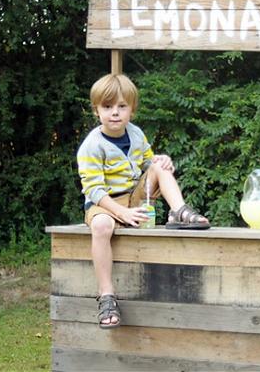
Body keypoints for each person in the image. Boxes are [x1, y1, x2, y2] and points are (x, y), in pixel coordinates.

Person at [77, 73, 210, 329]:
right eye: (107, 107)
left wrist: (161, 160)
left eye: (121, 106)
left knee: (160, 166)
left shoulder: (136, 134)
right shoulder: (92, 145)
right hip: (104, 203)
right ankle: (106, 295)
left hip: (134, 197)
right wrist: (120, 213)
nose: (115, 113)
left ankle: (178, 211)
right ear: (96, 110)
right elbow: (93, 190)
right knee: (101, 226)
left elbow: (147, 161)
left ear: (132, 109)